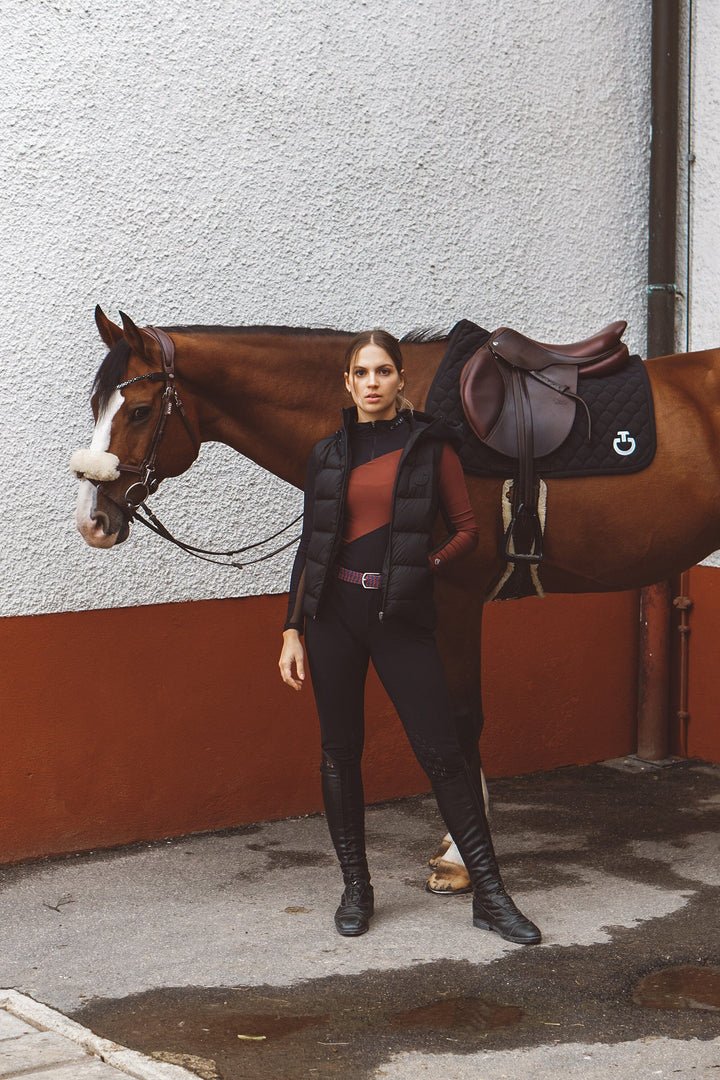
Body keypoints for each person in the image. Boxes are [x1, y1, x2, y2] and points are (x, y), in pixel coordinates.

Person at [279, 330, 541, 946]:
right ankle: (356, 889)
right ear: (348, 383)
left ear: (401, 381)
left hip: (400, 618)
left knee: (444, 753)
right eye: (361, 372)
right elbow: (310, 549)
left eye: (383, 372)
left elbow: (470, 530)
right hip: (331, 618)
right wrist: (292, 628)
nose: (372, 382)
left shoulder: (432, 449)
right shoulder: (326, 454)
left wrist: (424, 566)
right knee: (340, 753)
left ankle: (492, 895)